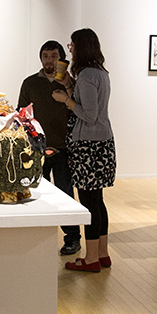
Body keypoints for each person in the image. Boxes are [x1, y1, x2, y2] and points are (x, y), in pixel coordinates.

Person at [53, 29, 116, 272]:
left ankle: (91, 259)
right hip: (102, 143)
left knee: (89, 202)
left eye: (71, 45)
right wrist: (69, 86)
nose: (69, 49)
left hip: (89, 146)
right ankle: (102, 254)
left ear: (81, 47)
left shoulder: (88, 76)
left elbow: (88, 115)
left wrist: (65, 100)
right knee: (97, 200)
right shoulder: (99, 73)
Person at [18, 40, 81, 255]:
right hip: (37, 148)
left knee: (65, 193)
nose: (49, 60)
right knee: (35, 192)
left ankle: (72, 238)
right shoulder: (29, 83)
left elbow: (78, 112)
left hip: (64, 148)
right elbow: (22, 113)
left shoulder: (69, 83)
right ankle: (36, 237)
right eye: (46, 56)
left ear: (61, 59)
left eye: (54, 56)